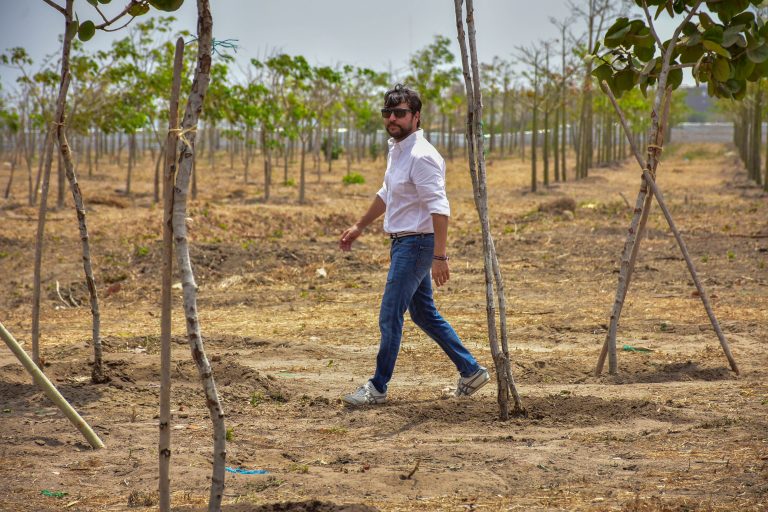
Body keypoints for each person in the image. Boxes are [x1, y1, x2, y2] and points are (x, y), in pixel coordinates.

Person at [339, 83, 489, 406]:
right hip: (405, 243)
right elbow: (386, 194)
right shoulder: (397, 149)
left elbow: (440, 207)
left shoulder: (422, 156)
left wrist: (440, 255)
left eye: (400, 113)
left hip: (418, 244)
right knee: (423, 313)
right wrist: (358, 226)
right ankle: (471, 370)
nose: (392, 118)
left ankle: (377, 387)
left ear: (416, 117)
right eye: (388, 112)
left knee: (390, 313)